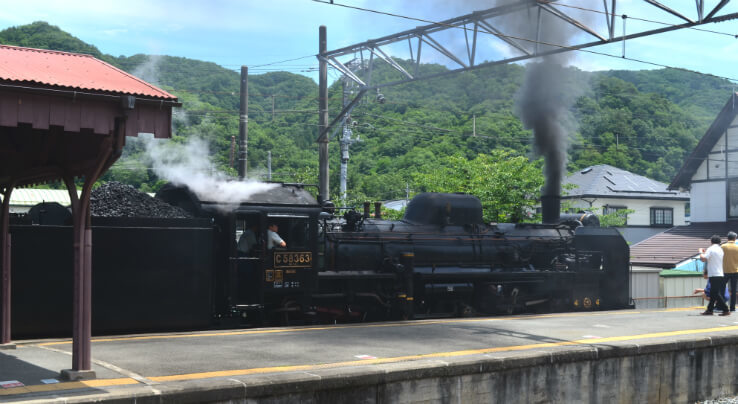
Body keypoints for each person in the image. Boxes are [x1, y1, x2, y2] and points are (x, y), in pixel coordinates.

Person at [699, 235, 730, 316]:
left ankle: (725, 309)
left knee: (715, 293)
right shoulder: (720, 249)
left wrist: (701, 252)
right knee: (714, 293)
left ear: (711, 241)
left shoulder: (711, 249)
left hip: (713, 274)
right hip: (720, 273)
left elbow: (703, 259)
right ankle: (710, 310)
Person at [722, 231, 738, 311]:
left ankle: (721, 305)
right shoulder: (737, 247)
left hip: (724, 271)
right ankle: (732, 307)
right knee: (734, 290)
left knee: (721, 288)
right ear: (735, 238)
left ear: (727, 238)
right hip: (735, 271)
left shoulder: (723, 246)